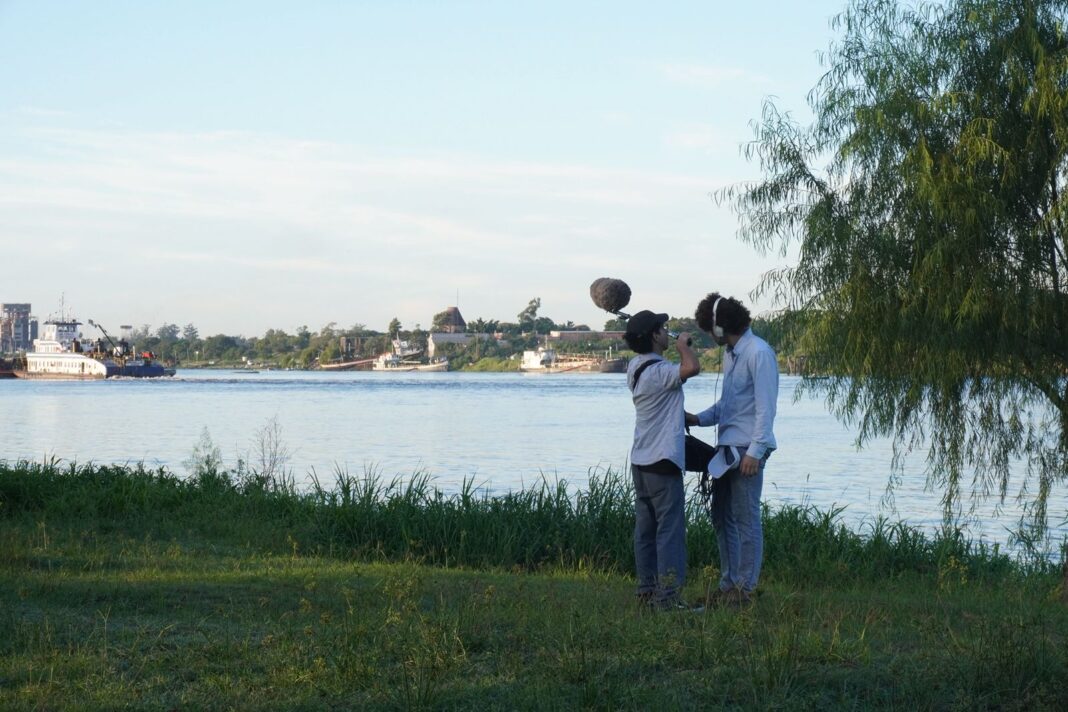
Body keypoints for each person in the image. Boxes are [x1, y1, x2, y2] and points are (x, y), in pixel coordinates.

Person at [686, 293, 778, 606]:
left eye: (708, 331)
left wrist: (755, 451)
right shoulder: (732, 353)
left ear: (721, 329)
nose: (709, 337)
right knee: (721, 517)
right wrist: (699, 419)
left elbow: (766, 408)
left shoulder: (759, 353)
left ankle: (745, 590)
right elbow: (729, 404)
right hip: (725, 449)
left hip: (747, 450)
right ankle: (728, 587)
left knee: (745, 518)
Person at [624, 310, 700, 610]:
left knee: (645, 531)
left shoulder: (635, 366)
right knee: (669, 532)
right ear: (655, 335)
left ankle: (647, 592)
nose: (668, 332)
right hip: (662, 462)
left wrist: (687, 417)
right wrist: (683, 345)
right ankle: (668, 599)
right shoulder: (659, 372)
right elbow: (692, 367)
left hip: (640, 460)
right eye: (664, 329)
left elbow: (658, 406)